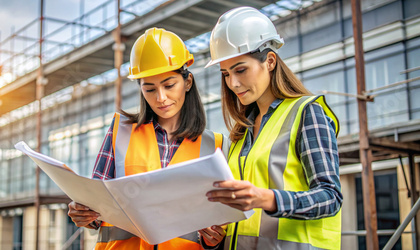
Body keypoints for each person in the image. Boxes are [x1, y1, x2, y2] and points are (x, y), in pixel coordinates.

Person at [68, 27, 228, 249]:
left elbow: (220, 224)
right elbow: (97, 209)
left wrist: (215, 240)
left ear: (188, 82)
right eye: (150, 89)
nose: (161, 98)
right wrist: (84, 214)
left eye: (169, 85)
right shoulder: (120, 132)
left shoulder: (215, 145)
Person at [204, 7, 343, 250]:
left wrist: (267, 198)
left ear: (269, 61)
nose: (233, 83)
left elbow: (330, 197)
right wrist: (216, 234)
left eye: (241, 69)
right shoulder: (241, 132)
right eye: (225, 74)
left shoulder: (306, 113)